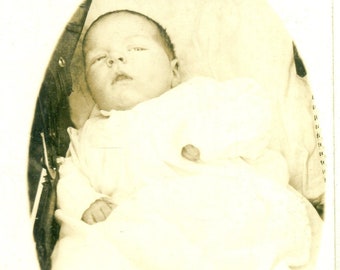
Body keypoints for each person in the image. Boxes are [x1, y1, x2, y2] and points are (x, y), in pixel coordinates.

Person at [52, 10, 316, 269]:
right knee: (84, 250)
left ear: (174, 71)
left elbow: (252, 108)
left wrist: (210, 140)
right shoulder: (89, 134)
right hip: (141, 226)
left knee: (248, 227)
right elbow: (71, 176)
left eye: (136, 49)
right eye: (98, 59)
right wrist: (87, 203)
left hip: (214, 200)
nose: (116, 59)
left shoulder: (196, 95)